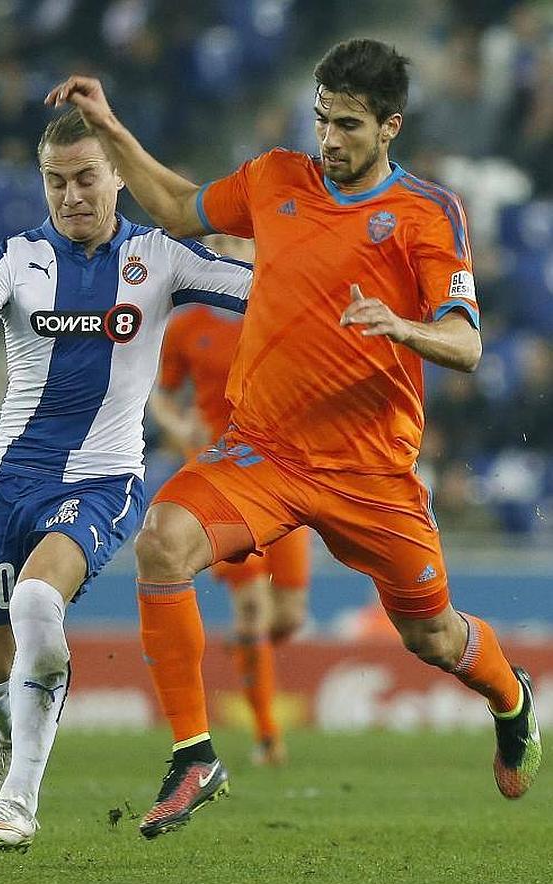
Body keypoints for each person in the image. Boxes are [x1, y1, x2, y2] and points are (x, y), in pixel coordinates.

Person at [45, 37, 542, 841]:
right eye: (320, 120)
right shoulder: (276, 177)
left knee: (432, 635)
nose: (328, 140)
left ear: (390, 126)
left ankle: (509, 697)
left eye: (346, 124)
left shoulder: (425, 213)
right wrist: (110, 133)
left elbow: (467, 342)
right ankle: (193, 755)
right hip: (263, 455)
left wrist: (401, 326)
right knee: (162, 543)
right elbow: (176, 207)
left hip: (371, 475)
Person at [0, 108, 252, 851]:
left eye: (85, 178)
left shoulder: (159, 256)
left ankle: (18, 805)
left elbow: (263, 290)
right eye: (55, 182)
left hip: (101, 481)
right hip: (4, 482)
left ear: (118, 177)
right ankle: (5, 725)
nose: (70, 196)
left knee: (37, 600)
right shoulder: (16, 257)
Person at [151, 233, 311, 766]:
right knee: (251, 608)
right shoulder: (187, 328)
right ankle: (268, 738)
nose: (225, 251)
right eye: (216, 242)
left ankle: (248, 648)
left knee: (286, 616)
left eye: (235, 243)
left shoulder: (278, 315)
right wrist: (181, 430)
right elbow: (159, 395)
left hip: (281, 476)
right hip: (217, 477)